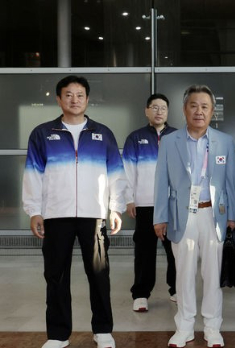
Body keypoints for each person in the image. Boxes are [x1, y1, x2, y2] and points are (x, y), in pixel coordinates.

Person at [22, 75, 126, 348]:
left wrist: (115, 208)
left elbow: (116, 174)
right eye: (68, 94)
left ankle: (103, 330)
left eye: (80, 95)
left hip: (94, 216)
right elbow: (32, 175)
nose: (74, 100)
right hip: (56, 215)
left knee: (99, 274)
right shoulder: (42, 134)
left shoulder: (103, 134)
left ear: (87, 99)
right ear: (59, 99)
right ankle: (58, 334)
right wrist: (34, 210)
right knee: (56, 276)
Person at [153, 85, 235, 348]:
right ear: (184, 109)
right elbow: (161, 181)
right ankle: (185, 327)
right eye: (193, 105)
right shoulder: (169, 141)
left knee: (212, 274)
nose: (198, 111)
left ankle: (212, 327)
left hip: (214, 214)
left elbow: (231, 182)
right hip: (182, 215)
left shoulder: (224, 141)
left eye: (204, 106)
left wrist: (232, 215)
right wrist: (159, 216)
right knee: (184, 273)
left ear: (212, 111)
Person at [123, 93, 177, 312]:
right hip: (145, 204)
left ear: (168, 111)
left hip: (172, 204)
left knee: (175, 249)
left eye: (163, 107)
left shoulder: (178, 136)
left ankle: (176, 289)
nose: (159, 111)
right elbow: (127, 171)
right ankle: (141, 294)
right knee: (144, 250)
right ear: (146, 111)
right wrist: (129, 199)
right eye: (154, 107)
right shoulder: (135, 138)